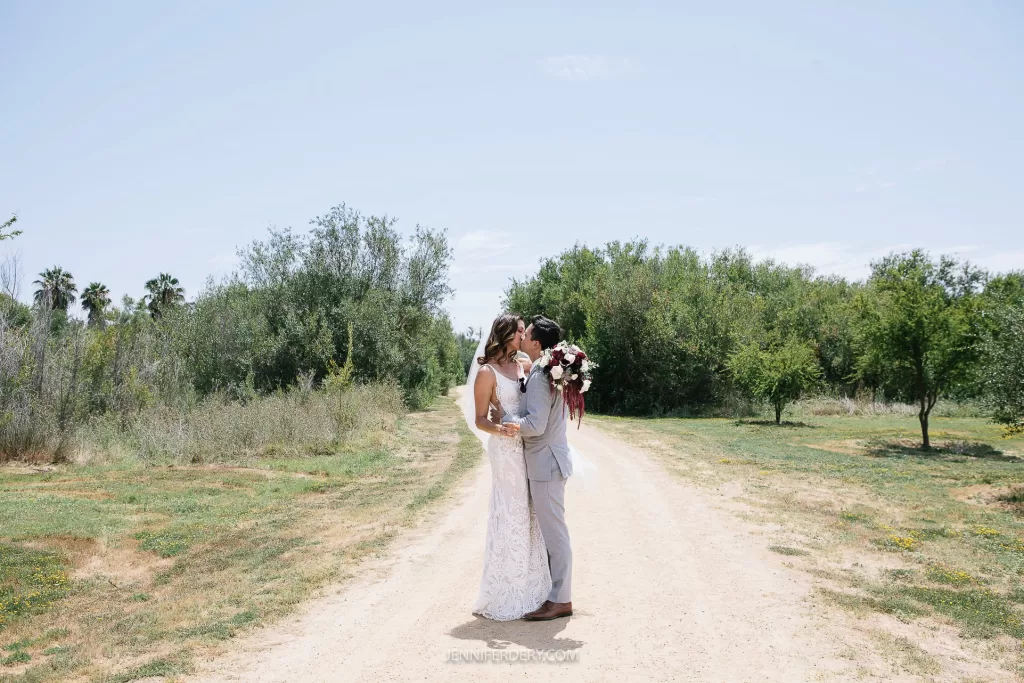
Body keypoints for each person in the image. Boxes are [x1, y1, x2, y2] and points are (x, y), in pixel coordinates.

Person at [469, 313, 552, 620]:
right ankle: (507, 590)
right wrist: (499, 429)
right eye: (518, 332)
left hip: (527, 446)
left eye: (523, 332)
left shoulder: (524, 366)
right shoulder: (487, 374)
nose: (523, 336)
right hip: (505, 449)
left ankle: (534, 588)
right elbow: (480, 419)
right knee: (512, 510)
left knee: (530, 511)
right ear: (504, 334)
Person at [501, 315, 574, 620]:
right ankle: (554, 594)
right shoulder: (541, 370)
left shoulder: (544, 374)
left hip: (545, 464)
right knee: (550, 532)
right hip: (545, 462)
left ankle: (561, 600)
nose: (522, 336)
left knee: (554, 535)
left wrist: (506, 422)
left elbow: (536, 424)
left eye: (526, 333)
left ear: (536, 342)